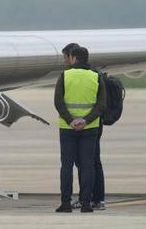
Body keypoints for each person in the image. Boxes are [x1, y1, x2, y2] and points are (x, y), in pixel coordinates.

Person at [54, 46, 106, 213]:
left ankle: (66, 203)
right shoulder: (96, 76)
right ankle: (85, 203)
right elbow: (101, 105)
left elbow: (58, 102)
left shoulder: (65, 75)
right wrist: (86, 120)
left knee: (67, 166)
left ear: (74, 58)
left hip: (67, 128)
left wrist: (71, 120)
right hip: (90, 127)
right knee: (87, 165)